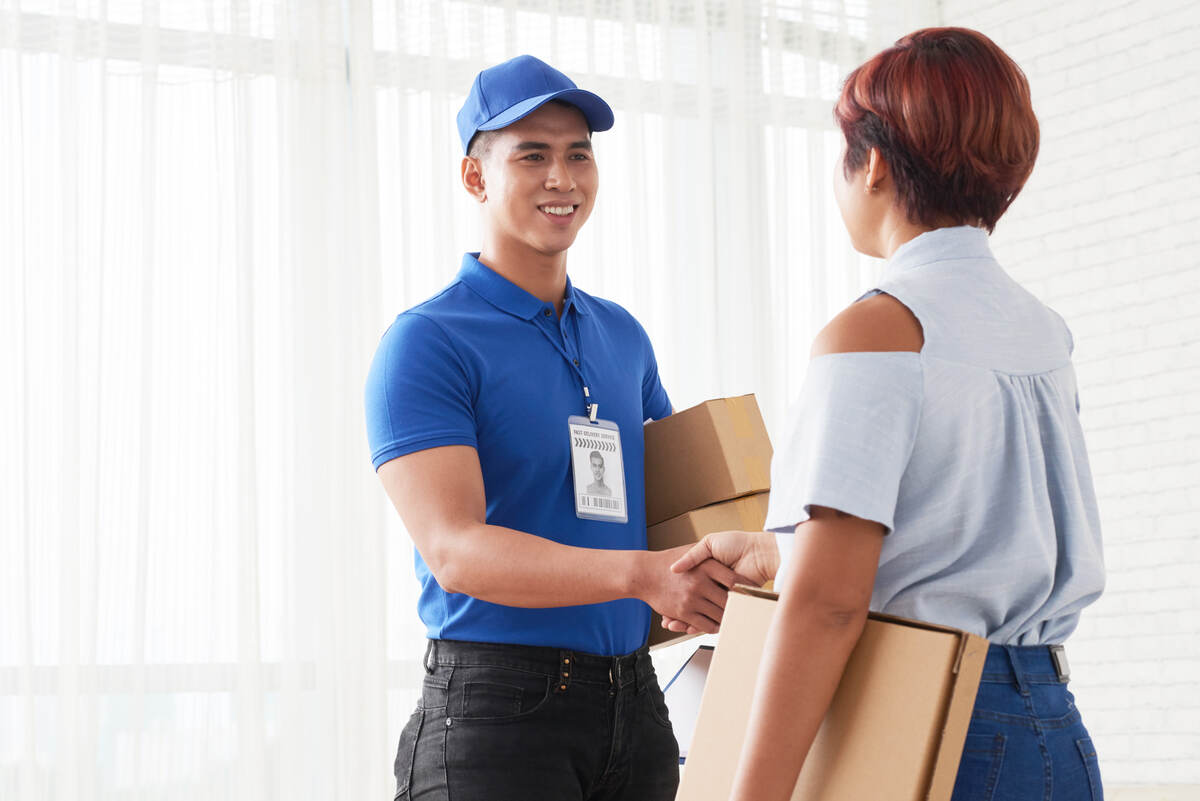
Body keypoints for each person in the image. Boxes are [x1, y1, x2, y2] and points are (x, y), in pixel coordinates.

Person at [667, 28, 1106, 801]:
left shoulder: (875, 331)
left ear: (870, 164)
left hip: (930, 720)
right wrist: (778, 550)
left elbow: (830, 605)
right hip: (1053, 726)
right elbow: (967, 535)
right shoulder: (1043, 330)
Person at [364, 55, 747, 801]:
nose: (561, 178)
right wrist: (642, 575)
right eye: (531, 155)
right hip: (497, 712)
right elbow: (456, 551)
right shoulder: (428, 341)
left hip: (635, 703)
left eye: (579, 154)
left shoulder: (623, 337)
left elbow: (671, 507)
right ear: (475, 177)